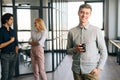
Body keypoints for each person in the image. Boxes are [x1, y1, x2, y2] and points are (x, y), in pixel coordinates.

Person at [67, 4, 108, 80]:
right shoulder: (71, 32)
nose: (84, 15)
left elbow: (104, 51)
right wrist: (75, 49)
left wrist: (99, 68)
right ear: (78, 13)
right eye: (82, 12)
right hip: (76, 71)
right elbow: (68, 51)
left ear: (90, 15)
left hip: (92, 71)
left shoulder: (96, 31)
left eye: (87, 13)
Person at [0, 13, 19, 80]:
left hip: (14, 55)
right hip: (5, 56)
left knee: (10, 76)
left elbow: (16, 43)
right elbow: (0, 46)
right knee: (5, 76)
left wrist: (16, 53)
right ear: (6, 20)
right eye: (11, 19)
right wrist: (10, 41)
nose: (12, 21)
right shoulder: (1, 31)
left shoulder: (12, 31)